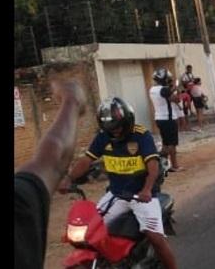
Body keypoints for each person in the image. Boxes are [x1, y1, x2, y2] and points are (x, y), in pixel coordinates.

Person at [60, 97, 177, 269]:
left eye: (118, 127)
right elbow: (86, 160)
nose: (115, 132)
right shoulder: (102, 137)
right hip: (116, 195)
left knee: (155, 238)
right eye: (110, 129)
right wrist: (69, 178)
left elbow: (152, 166)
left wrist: (146, 190)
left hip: (143, 196)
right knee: (92, 231)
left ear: (127, 121)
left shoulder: (140, 135)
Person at [15, 79, 87, 269]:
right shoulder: (20, 201)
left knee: (153, 234)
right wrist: (71, 101)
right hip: (118, 196)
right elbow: (53, 159)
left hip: (136, 196)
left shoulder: (141, 136)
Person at [149, 67, 184, 172]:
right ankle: (175, 166)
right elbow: (176, 100)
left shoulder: (152, 89)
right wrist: (177, 90)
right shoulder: (164, 90)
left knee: (165, 143)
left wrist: (172, 89)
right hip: (168, 119)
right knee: (172, 144)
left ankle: (163, 164)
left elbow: (165, 93)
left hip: (159, 118)